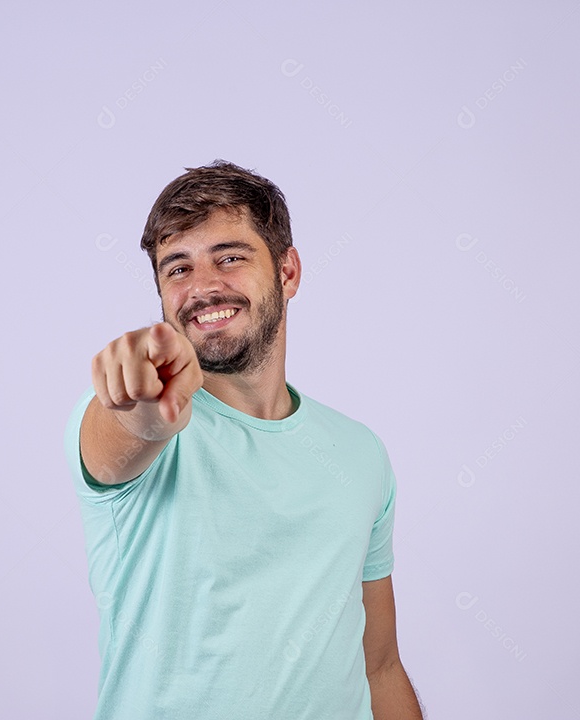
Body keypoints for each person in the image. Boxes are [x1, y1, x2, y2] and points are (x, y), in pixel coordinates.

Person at [64, 160, 424, 719]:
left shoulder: (360, 453)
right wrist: (142, 405)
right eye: (177, 268)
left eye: (230, 257)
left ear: (288, 272)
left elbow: (379, 666)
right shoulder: (137, 420)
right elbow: (126, 434)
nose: (203, 287)